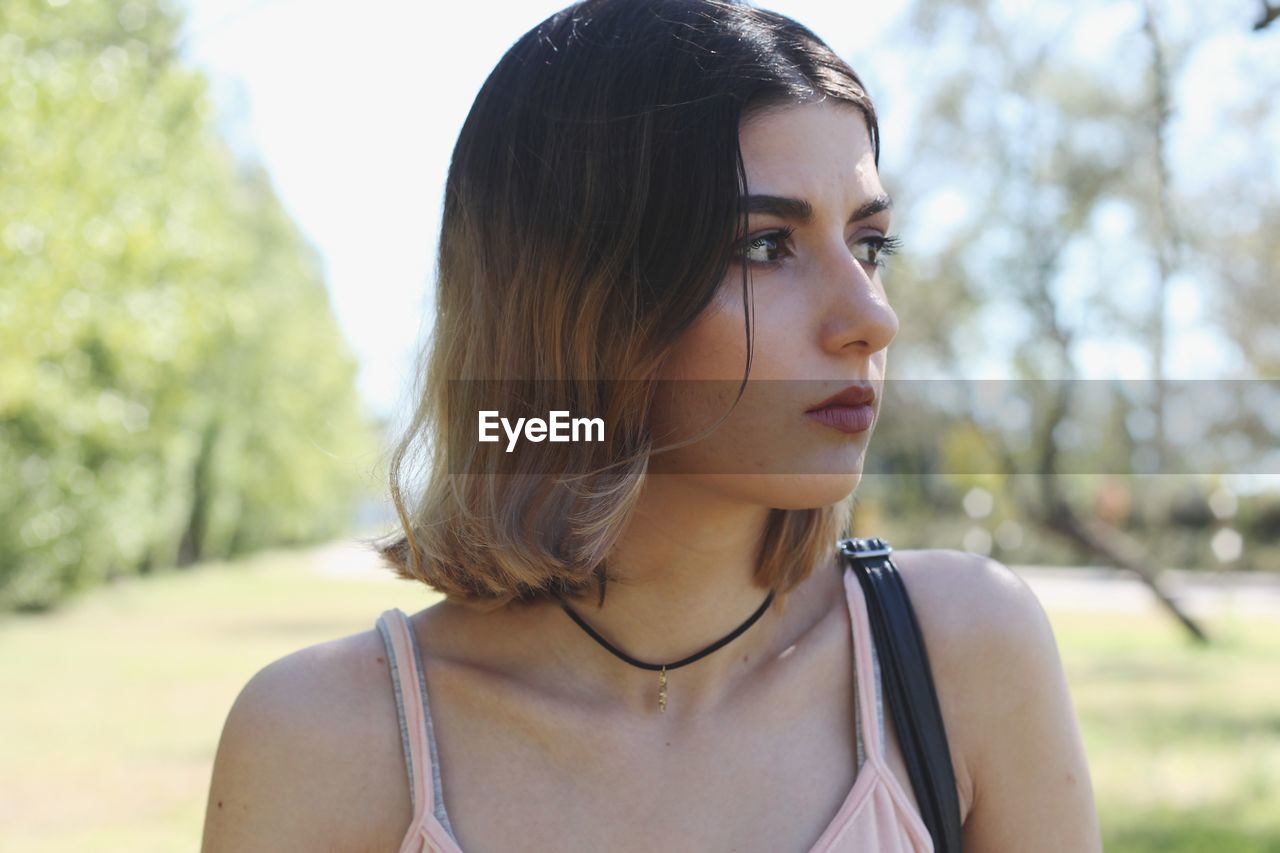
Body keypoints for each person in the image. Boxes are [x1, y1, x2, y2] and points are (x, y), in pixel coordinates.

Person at [201, 1, 1102, 850]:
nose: (870, 316)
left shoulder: (962, 658)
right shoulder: (326, 741)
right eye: (762, 246)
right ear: (582, 304)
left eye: (870, 244)